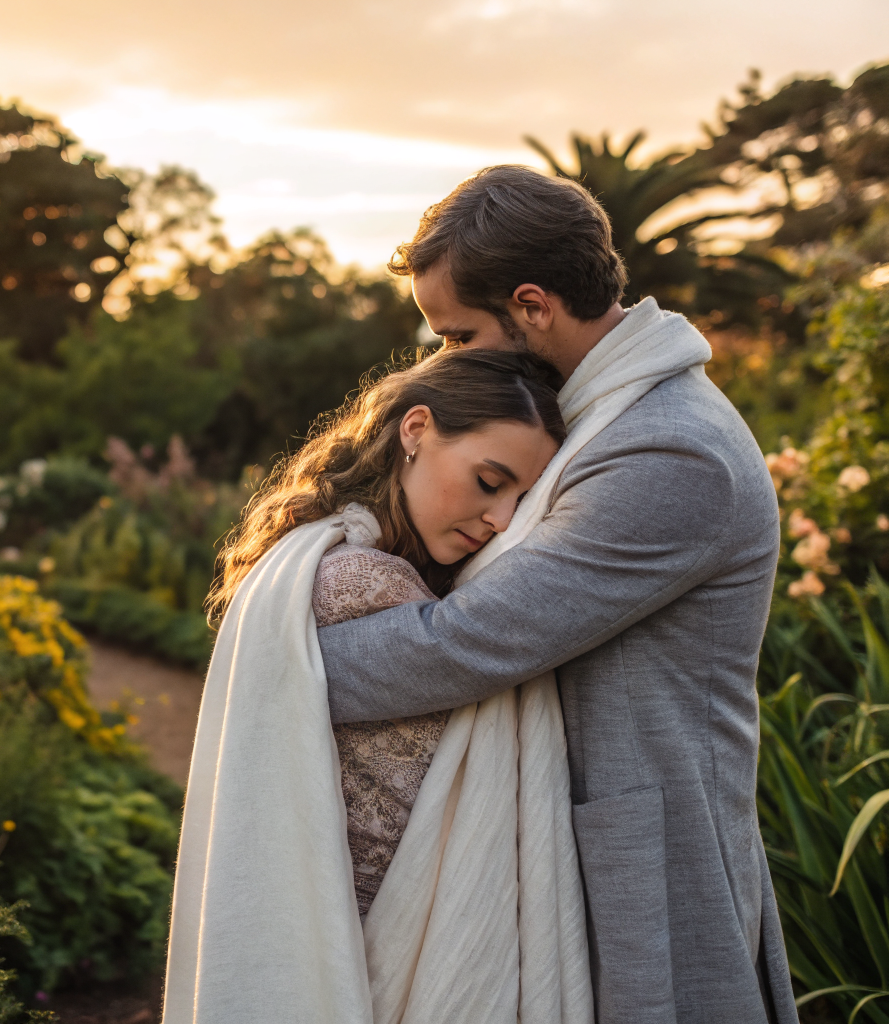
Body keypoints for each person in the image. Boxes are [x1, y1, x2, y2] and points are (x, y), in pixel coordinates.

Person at [317, 166, 795, 1024]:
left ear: (533, 306)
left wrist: (280, 665)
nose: (446, 362)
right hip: (556, 838)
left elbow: (474, 639)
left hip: (642, 863)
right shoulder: (595, 418)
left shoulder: (670, 451)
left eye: (459, 335)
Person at [165, 348, 589, 1024]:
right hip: (391, 959)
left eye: (520, 501)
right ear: (415, 430)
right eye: (488, 481)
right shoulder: (365, 582)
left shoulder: (310, 555)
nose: (502, 520)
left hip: (339, 939)